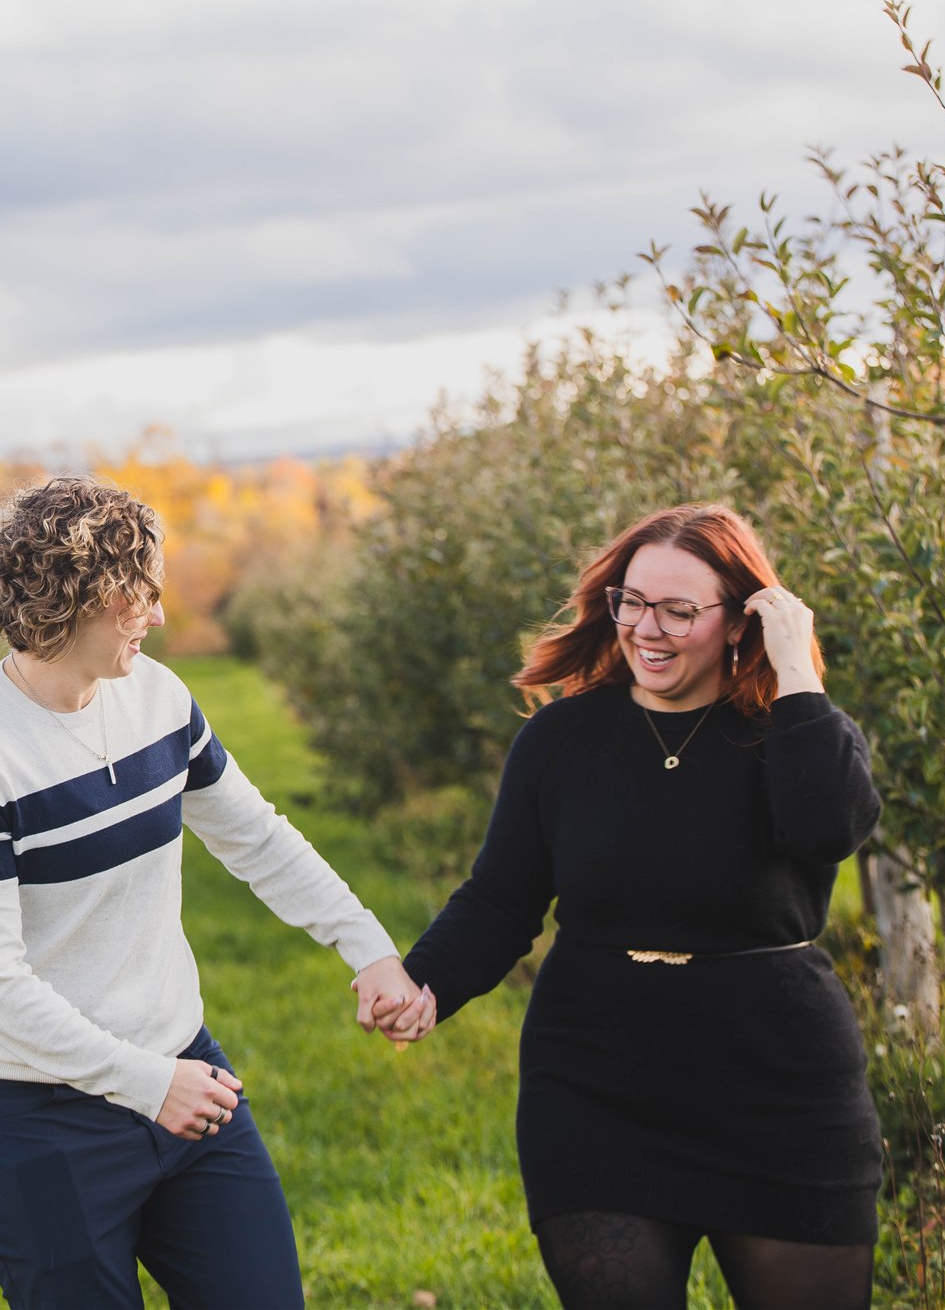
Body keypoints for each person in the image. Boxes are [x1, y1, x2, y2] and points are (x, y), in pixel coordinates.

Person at [0, 475, 429, 1309]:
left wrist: (365, 944)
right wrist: (147, 1082)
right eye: (139, 595)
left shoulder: (159, 699)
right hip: (36, 1122)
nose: (156, 614)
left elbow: (255, 835)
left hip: (189, 1079)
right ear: (79, 599)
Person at [377, 503, 884, 1309]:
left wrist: (798, 672)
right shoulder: (562, 740)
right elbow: (503, 898)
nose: (647, 628)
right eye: (633, 601)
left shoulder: (793, 731)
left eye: (679, 609)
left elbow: (829, 828)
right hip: (597, 1086)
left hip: (780, 1086)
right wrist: (425, 984)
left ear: (740, 621)